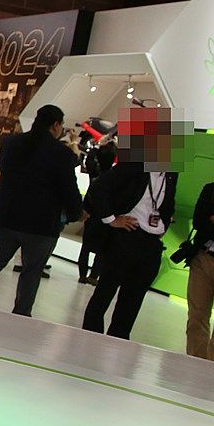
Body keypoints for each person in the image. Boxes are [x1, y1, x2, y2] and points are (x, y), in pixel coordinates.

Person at [0, 104, 82, 325]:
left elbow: (4, 169)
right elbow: (68, 188)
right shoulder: (61, 154)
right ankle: (20, 317)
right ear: (55, 125)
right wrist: (75, 213)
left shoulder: (11, 144)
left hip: (7, 216)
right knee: (31, 272)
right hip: (42, 224)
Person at [81, 112, 179, 340]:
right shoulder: (135, 165)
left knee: (132, 301)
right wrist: (111, 219)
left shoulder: (171, 174)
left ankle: (118, 342)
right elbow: (99, 188)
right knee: (104, 293)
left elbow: (168, 202)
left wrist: (163, 224)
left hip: (150, 244)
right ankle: (89, 340)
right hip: (125, 238)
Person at [184, 180, 214, 363]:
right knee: (197, 316)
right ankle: (195, 364)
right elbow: (199, 222)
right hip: (203, 260)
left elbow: (209, 226)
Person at [77, 139, 116, 284]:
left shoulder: (95, 172)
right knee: (102, 248)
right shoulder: (113, 176)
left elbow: (89, 160)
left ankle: (82, 275)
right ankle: (94, 276)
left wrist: (97, 145)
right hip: (105, 213)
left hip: (90, 211)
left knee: (86, 245)